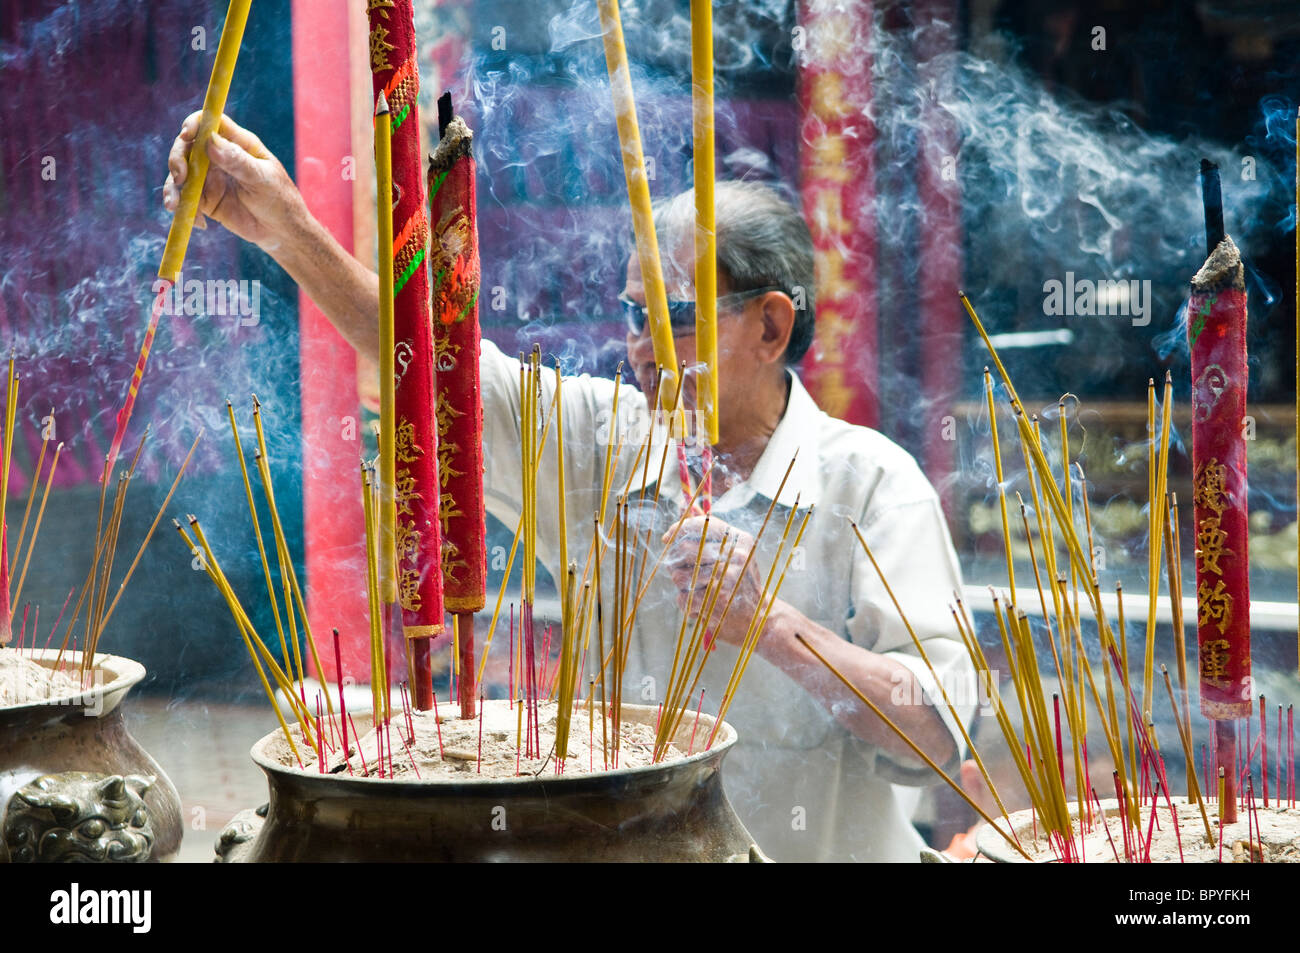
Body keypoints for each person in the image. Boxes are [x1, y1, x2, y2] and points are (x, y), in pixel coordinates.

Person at [164, 112, 975, 862]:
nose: (642, 350)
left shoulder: (872, 487)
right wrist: (290, 230)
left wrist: (773, 625)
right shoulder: (603, 443)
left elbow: (935, 730)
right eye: (631, 316)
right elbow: (435, 371)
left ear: (770, 325)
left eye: (673, 317)